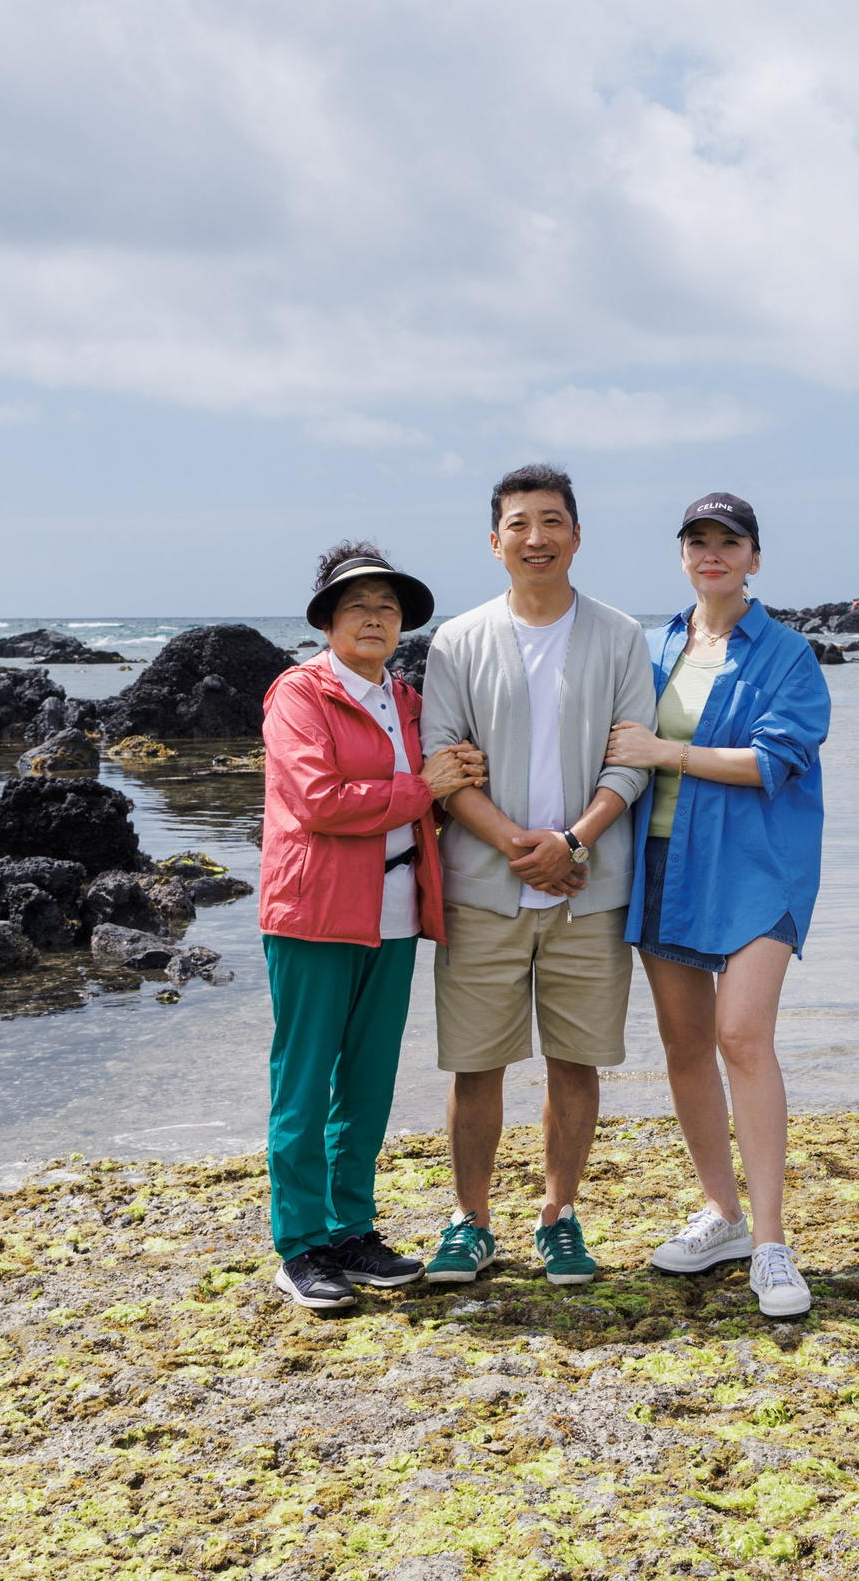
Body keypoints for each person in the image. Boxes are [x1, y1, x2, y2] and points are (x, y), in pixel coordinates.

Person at [417, 464, 659, 1285]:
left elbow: (632, 760)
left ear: (577, 536)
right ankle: (470, 1219)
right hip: (484, 885)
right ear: (495, 542)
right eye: (518, 524)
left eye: (552, 522)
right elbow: (442, 765)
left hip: (587, 889)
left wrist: (575, 845)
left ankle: (559, 1215)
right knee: (475, 1062)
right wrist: (528, 844)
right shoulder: (457, 640)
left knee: (575, 1059)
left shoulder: (621, 635)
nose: (536, 538)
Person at [604, 493, 829, 1319]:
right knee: (686, 1043)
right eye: (697, 542)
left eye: (728, 542)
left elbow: (777, 760)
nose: (712, 555)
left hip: (758, 866)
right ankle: (723, 1217)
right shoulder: (653, 645)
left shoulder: (787, 655)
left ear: (754, 559)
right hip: (664, 860)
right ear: (684, 556)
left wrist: (668, 751)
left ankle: (771, 1243)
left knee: (742, 1036)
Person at [259, 542, 488, 1310]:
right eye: (357, 606)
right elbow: (320, 801)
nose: (373, 618)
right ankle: (300, 1246)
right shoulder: (299, 695)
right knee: (302, 1083)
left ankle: (351, 1229)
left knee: (366, 1084)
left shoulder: (414, 704)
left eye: (387, 608)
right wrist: (419, 787)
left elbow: (447, 783)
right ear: (328, 619)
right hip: (314, 914)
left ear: (402, 627)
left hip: (394, 915)